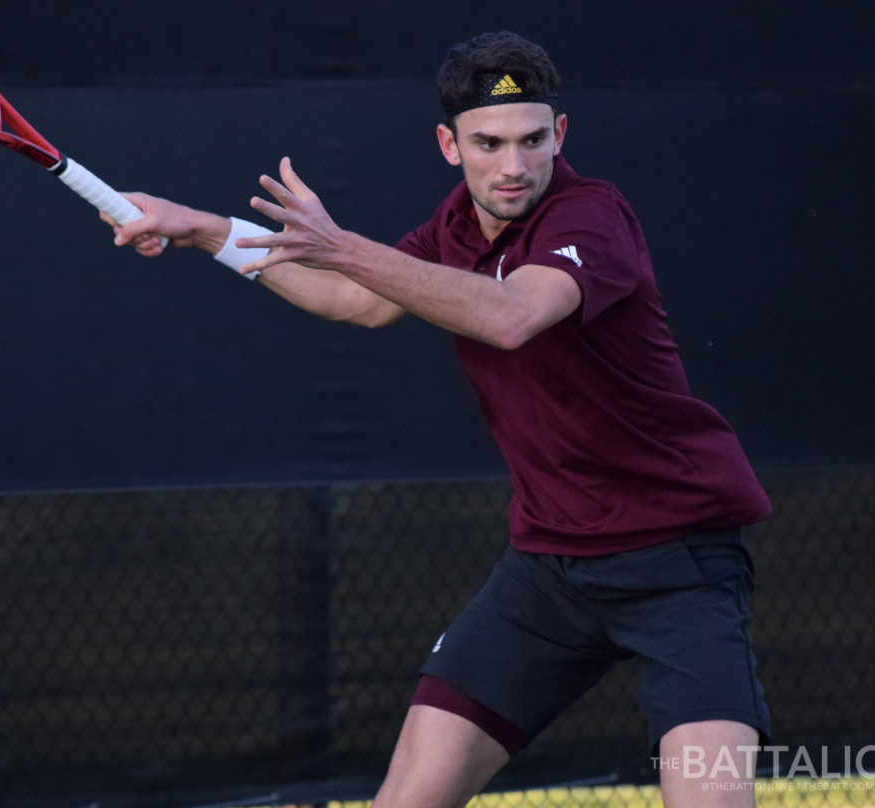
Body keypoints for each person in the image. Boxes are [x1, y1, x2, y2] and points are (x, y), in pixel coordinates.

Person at [104, 31, 772, 808]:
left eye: (531, 141)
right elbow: (357, 299)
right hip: (546, 575)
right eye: (488, 143)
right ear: (449, 145)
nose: (513, 166)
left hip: (675, 567)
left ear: (561, 135)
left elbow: (514, 314)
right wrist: (204, 229)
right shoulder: (454, 229)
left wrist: (347, 247)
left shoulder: (592, 217)